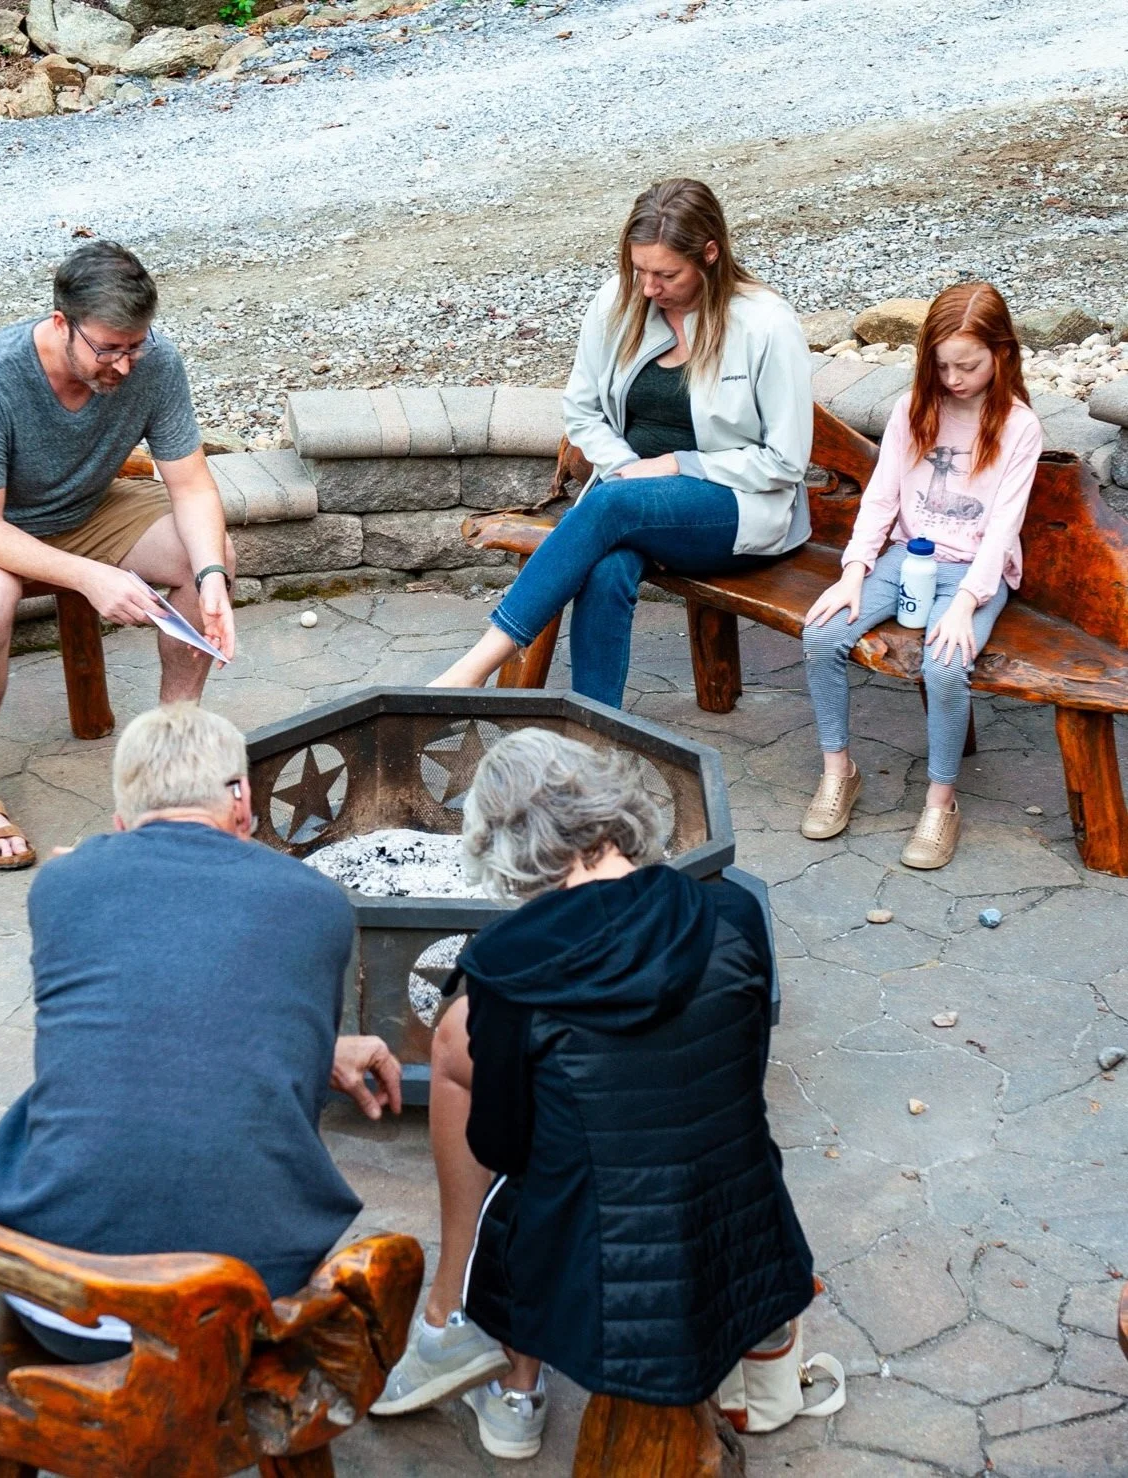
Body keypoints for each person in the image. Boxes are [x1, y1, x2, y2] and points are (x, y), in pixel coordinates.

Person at [373, 728, 813, 1461]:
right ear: (611, 809)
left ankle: (491, 1362)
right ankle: (760, 1347)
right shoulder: (732, 915)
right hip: (743, 1228)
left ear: (500, 842)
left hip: (598, 1279)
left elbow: (502, 1146)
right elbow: (743, 1074)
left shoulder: (504, 971)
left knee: (482, 1097)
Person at [0, 702, 402, 1363]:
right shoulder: (318, 903)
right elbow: (254, 1042)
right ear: (243, 803)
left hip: (56, 1299)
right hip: (241, 1307)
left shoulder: (58, 883)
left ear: (119, 823)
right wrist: (324, 1051)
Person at [0, 241, 237, 872]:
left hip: (83, 508)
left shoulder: (154, 362)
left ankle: (169, 761)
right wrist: (92, 577)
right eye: (108, 349)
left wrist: (214, 576)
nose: (126, 365)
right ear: (61, 323)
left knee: (207, 554)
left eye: (135, 345)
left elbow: (190, 484)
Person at [433, 179, 813, 706]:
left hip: (736, 507)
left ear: (709, 255)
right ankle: (596, 738)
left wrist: (675, 465)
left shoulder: (765, 324)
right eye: (640, 271)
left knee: (612, 506)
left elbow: (785, 461)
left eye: (666, 274)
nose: (649, 288)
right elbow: (582, 412)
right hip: (630, 495)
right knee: (607, 567)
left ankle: (475, 665)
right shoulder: (618, 301)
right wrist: (626, 466)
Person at [800, 282, 1041, 869]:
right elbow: (882, 499)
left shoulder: (1018, 426)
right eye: (942, 365)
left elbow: (1004, 528)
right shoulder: (914, 409)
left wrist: (965, 604)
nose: (954, 379)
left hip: (973, 572)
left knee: (945, 661)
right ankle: (840, 772)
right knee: (823, 632)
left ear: (1002, 355)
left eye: (968, 365)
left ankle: (940, 803)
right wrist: (853, 571)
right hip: (910, 556)